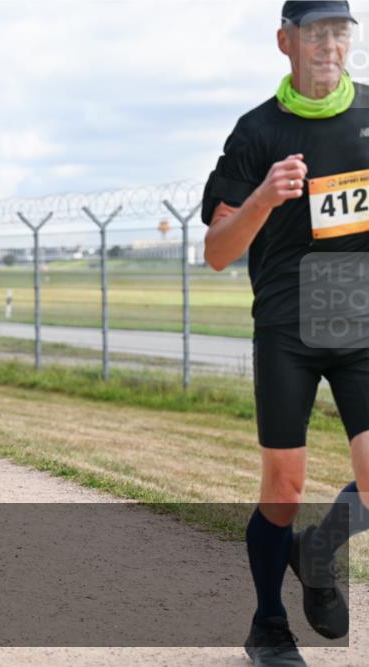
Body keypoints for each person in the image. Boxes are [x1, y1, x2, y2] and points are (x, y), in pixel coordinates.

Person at [202, 3, 368, 665]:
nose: (328, 45)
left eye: (340, 32)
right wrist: (265, 197)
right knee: (283, 486)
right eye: (314, 32)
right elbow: (217, 249)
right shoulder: (257, 131)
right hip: (284, 315)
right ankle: (268, 625)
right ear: (285, 42)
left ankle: (321, 547)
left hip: (355, 307)